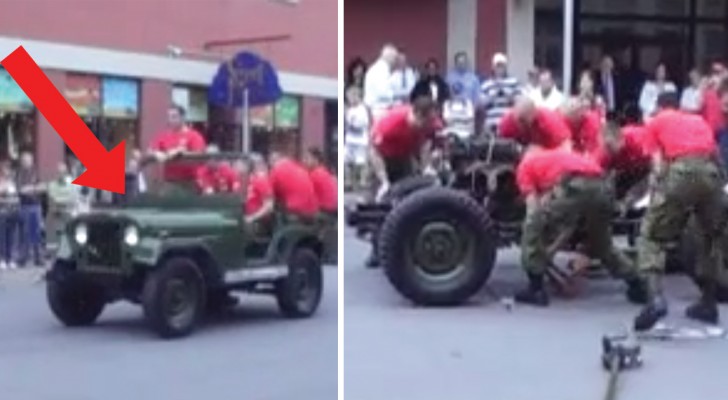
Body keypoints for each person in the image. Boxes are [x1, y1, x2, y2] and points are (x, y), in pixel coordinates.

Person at [633, 92, 725, 331]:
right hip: (711, 173)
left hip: (681, 171)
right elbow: (716, 157)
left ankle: (655, 300)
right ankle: (708, 303)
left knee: (651, 236)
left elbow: (658, 165)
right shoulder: (698, 121)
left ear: (660, 107)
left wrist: (657, 196)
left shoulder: (655, 122)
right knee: (710, 238)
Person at [514, 146, 647, 306]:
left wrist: (537, 236)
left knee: (532, 230)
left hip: (574, 185)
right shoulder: (560, 156)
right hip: (602, 187)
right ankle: (638, 285)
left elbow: (533, 209)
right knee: (602, 244)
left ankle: (535, 289)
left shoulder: (525, 166)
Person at [369, 96, 443, 198]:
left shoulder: (430, 124)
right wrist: (383, 180)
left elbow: (425, 143)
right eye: (427, 121)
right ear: (417, 115)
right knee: (383, 193)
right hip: (383, 156)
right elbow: (374, 151)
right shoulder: (390, 124)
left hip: (405, 154)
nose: (429, 125)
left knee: (408, 190)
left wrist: (427, 167)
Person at [148, 105, 207, 185]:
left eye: (174, 116)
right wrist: (156, 153)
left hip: (190, 181)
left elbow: (200, 157)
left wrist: (181, 153)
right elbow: (150, 150)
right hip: (169, 181)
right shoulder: (164, 136)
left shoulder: (194, 136)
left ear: (182, 118)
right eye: (169, 117)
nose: (171, 120)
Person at [498, 96, 571, 151]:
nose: (521, 125)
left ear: (535, 113)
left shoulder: (548, 118)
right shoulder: (507, 122)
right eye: (519, 120)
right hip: (522, 153)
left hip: (549, 153)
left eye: (524, 121)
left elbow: (566, 145)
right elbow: (502, 146)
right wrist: (523, 149)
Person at [268, 151, 319, 219]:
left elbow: (269, 194)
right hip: (313, 210)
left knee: (273, 210)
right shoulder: (297, 165)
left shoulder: (275, 170)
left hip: (297, 211)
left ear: (272, 161)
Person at [480, 53, 522, 135]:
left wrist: (509, 95)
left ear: (506, 67)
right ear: (493, 67)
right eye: (497, 66)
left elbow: (521, 102)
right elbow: (481, 104)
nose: (499, 69)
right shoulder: (486, 84)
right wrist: (492, 96)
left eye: (502, 66)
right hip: (491, 124)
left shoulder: (514, 82)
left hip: (509, 123)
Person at [16, 152, 44, 267]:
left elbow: (42, 187)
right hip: (25, 206)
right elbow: (21, 190)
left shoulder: (35, 172)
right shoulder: (19, 174)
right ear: (22, 162)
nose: (27, 162)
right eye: (24, 160)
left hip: (36, 205)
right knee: (26, 233)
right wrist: (34, 188)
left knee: (36, 233)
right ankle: (23, 258)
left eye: (29, 160)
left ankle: (38, 258)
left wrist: (31, 188)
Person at [559, 97, 606, 163]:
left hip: (589, 157)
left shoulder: (592, 122)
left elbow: (591, 152)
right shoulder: (563, 119)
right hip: (574, 155)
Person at [344, 86, 371, 191]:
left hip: (360, 141)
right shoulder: (350, 110)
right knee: (346, 161)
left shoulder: (362, 110)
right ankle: (348, 181)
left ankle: (362, 181)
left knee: (360, 163)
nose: (349, 99)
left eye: (350, 97)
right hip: (349, 140)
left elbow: (363, 125)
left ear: (357, 97)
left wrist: (352, 125)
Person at [46, 162, 78, 251]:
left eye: (63, 172)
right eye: (59, 172)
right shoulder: (52, 184)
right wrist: (64, 200)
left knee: (69, 234)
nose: (61, 174)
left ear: (66, 172)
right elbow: (52, 199)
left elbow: (73, 199)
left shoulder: (72, 184)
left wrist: (60, 199)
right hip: (56, 213)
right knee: (57, 235)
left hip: (69, 213)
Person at [364, 44, 398, 121]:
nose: (395, 61)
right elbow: (384, 92)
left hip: (375, 109)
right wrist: (396, 95)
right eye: (394, 58)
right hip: (380, 109)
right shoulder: (381, 71)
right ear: (389, 57)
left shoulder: (376, 68)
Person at [242, 153, 274, 225]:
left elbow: (269, 206)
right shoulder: (251, 180)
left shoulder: (261, 180)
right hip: (249, 218)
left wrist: (252, 218)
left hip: (258, 223)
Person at [304, 147, 338, 214]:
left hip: (322, 212)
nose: (304, 161)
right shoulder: (324, 172)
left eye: (307, 158)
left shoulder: (314, 174)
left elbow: (305, 194)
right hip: (331, 210)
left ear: (316, 160)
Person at [0, 162, 19, 270]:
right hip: (2, 213)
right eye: (5, 170)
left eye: (9, 170)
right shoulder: (1, 182)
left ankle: (11, 259)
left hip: (13, 212)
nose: (8, 172)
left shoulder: (13, 183)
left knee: (12, 236)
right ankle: (2, 259)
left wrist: (14, 200)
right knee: (2, 237)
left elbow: (17, 197)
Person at [594, 55, 624, 120]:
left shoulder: (616, 77)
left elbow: (619, 93)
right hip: (600, 110)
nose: (607, 66)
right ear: (601, 65)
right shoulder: (596, 77)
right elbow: (595, 92)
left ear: (612, 66)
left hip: (613, 110)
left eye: (609, 64)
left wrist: (620, 109)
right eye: (605, 64)